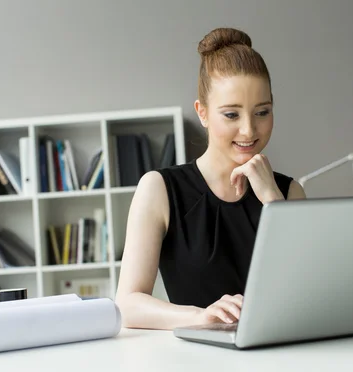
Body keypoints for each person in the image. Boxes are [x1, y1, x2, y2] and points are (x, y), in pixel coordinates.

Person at [115, 27, 306, 330]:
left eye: (262, 112)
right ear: (202, 113)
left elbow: (305, 292)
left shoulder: (288, 192)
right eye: (231, 115)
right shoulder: (160, 189)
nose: (249, 130)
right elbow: (127, 304)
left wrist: (272, 200)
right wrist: (199, 316)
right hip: (196, 365)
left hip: (280, 360)